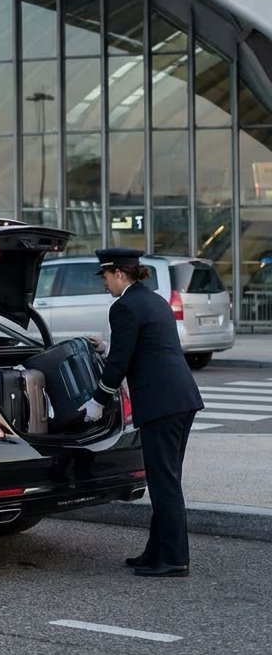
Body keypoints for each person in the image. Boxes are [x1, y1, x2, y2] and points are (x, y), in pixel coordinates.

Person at [79, 247, 204, 578]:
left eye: (106, 276)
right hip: (180, 399)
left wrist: (98, 401)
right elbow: (145, 346)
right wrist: (107, 347)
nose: (104, 283)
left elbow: (120, 363)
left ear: (119, 273)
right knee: (166, 478)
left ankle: (174, 558)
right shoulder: (153, 300)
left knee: (164, 482)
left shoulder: (123, 306)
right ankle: (156, 551)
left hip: (161, 403)